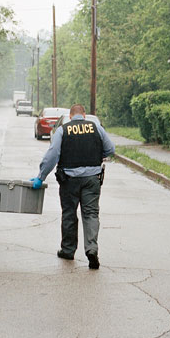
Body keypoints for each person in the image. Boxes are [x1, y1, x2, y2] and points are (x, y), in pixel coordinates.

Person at [30, 104, 115, 269]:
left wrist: (41, 176)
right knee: (91, 214)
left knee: (69, 214)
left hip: (69, 180)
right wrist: (97, 156)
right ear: (84, 115)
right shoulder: (96, 128)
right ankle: (91, 249)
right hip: (92, 178)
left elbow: (53, 155)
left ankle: (68, 250)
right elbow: (110, 149)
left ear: (70, 116)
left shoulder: (63, 130)